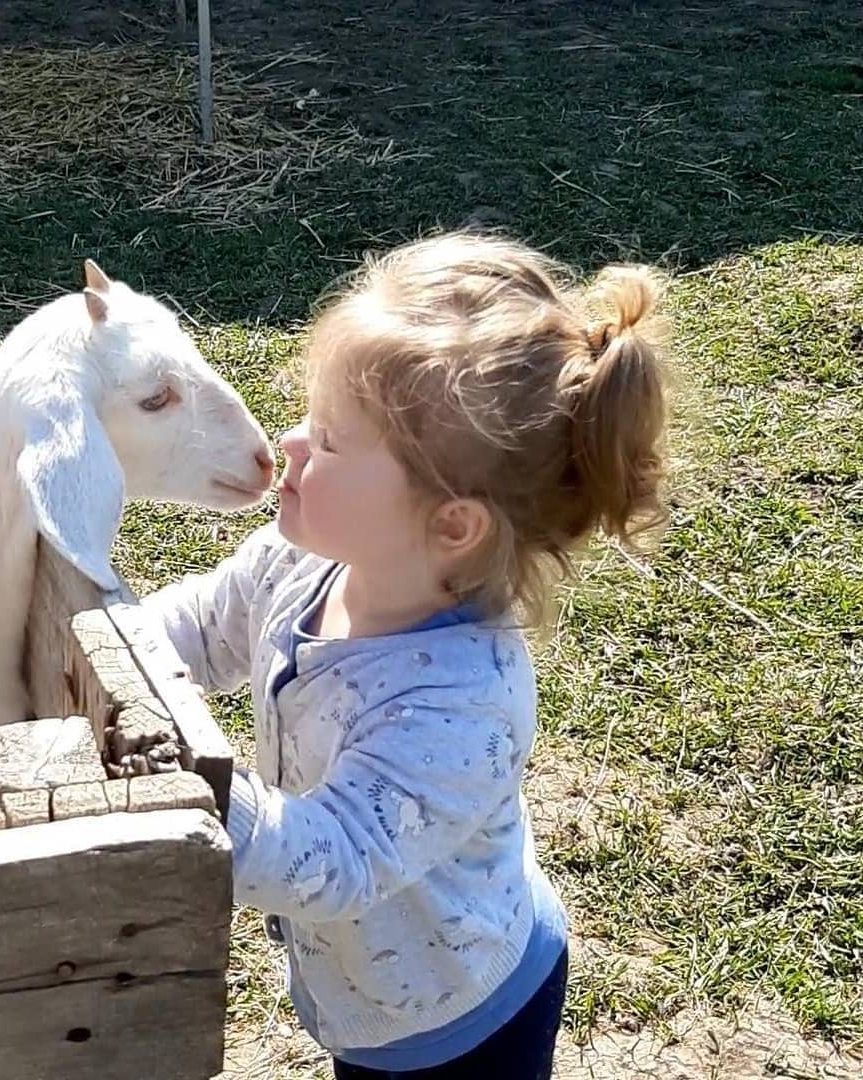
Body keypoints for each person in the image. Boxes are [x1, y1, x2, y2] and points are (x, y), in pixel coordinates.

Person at [140, 231, 670, 1078]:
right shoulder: (304, 559)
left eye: (332, 440)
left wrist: (178, 783)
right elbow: (204, 624)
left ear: (451, 524)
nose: (292, 444)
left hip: (458, 1019)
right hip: (370, 991)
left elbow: (334, 859)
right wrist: (106, 653)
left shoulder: (458, 705)